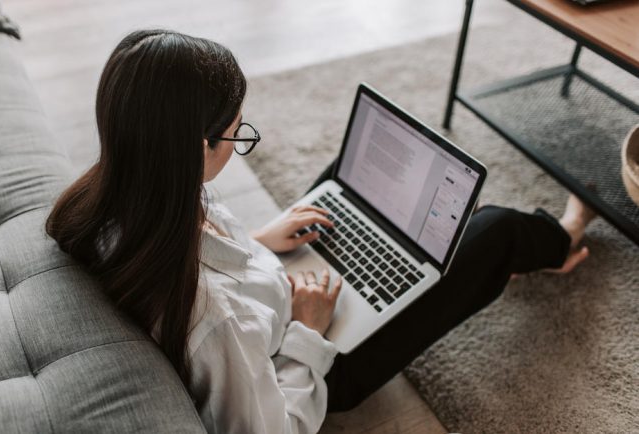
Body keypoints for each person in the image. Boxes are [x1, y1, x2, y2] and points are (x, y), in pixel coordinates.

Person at [45, 29, 596, 433]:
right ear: (196, 148)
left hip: (274, 295)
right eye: (238, 137)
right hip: (318, 361)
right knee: (493, 231)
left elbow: (197, 262)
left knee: (345, 186)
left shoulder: (119, 195)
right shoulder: (215, 323)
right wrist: (309, 330)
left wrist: (258, 242)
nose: (239, 143)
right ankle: (563, 238)